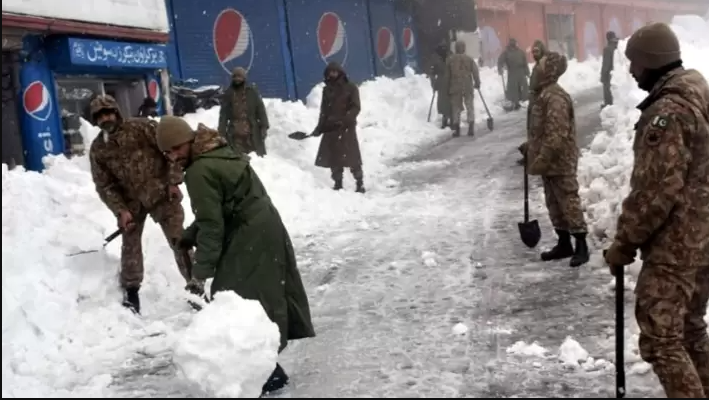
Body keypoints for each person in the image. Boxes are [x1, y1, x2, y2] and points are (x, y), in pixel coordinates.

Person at [155, 116, 316, 395]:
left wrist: (199, 275)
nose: (174, 156)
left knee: (234, 301)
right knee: (255, 296)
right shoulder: (217, 152)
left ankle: (266, 373)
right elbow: (217, 210)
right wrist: (190, 236)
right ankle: (267, 371)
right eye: (168, 152)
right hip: (265, 225)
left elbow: (213, 227)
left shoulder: (198, 171)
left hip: (249, 233)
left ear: (189, 140)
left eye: (176, 148)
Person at [604, 22, 709, 398]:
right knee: (690, 329)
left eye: (635, 63)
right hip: (702, 237)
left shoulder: (666, 113)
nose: (632, 72)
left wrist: (625, 242)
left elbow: (656, 190)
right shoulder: (698, 94)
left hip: (676, 244)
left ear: (651, 62)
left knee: (661, 338)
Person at [88, 95, 190, 314]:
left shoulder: (142, 128)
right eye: (100, 116)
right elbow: (104, 185)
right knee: (130, 244)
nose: (105, 118)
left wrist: (173, 181)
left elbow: (171, 150)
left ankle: (196, 285)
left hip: (162, 193)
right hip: (131, 201)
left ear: (116, 111)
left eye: (108, 112)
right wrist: (120, 210)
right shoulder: (98, 149)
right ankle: (131, 291)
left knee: (179, 240)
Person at [526, 52, 589, 268]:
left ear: (549, 71)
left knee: (568, 201)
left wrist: (543, 157)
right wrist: (530, 147)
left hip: (559, 160)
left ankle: (581, 245)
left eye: (541, 66)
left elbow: (556, 134)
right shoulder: (543, 94)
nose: (537, 69)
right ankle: (564, 244)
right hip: (549, 161)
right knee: (554, 204)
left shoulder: (554, 97)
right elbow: (542, 130)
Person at [311, 62, 365, 193]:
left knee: (352, 156)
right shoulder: (327, 90)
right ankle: (338, 182)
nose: (333, 74)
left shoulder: (351, 88)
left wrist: (346, 119)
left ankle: (359, 182)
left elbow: (356, 107)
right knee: (333, 157)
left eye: (335, 71)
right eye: (331, 72)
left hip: (346, 128)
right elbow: (324, 110)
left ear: (340, 72)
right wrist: (319, 127)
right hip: (331, 128)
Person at [218, 67, 269, 157]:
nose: (237, 79)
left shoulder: (252, 92)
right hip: (235, 133)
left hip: (252, 132)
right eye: (235, 76)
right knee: (237, 157)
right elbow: (223, 115)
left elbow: (261, 110)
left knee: (256, 159)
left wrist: (264, 126)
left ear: (244, 78)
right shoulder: (228, 93)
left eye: (240, 76)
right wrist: (221, 132)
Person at [518, 40, 547, 165]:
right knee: (531, 128)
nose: (534, 54)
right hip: (534, 101)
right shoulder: (538, 65)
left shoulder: (543, 65)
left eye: (537, 51)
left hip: (539, 101)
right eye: (533, 51)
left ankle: (534, 155)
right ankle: (532, 154)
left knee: (536, 129)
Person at [447, 40, 481, 137]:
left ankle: (457, 129)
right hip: (467, 85)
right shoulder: (469, 59)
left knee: (456, 108)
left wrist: (447, 88)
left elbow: (447, 76)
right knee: (469, 105)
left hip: (455, 85)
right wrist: (477, 82)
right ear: (464, 48)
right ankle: (471, 128)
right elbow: (475, 72)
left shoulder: (450, 60)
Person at [498, 38, 530, 111]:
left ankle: (524, 101)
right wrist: (500, 69)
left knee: (523, 88)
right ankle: (515, 103)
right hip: (512, 72)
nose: (515, 45)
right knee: (513, 89)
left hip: (521, 72)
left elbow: (525, 63)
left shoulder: (521, 52)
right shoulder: (506, 53)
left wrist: (527, 72)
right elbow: (500, 61)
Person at [429, 41, 451, 128]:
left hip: (448, 81)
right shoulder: (436, 58)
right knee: (444, 101)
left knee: (449, 100)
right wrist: (434, 83)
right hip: (443, 82)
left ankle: (450, 118)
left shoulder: (449, 56)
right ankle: (446, 118)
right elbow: (432, 73)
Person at [601, 31, 619, 108]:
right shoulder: (618, 46)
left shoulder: (607, 49)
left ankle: (608, 105)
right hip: (618, 71)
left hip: (609, 73)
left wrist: (603, 75)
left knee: (607, 90)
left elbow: (606, 64)